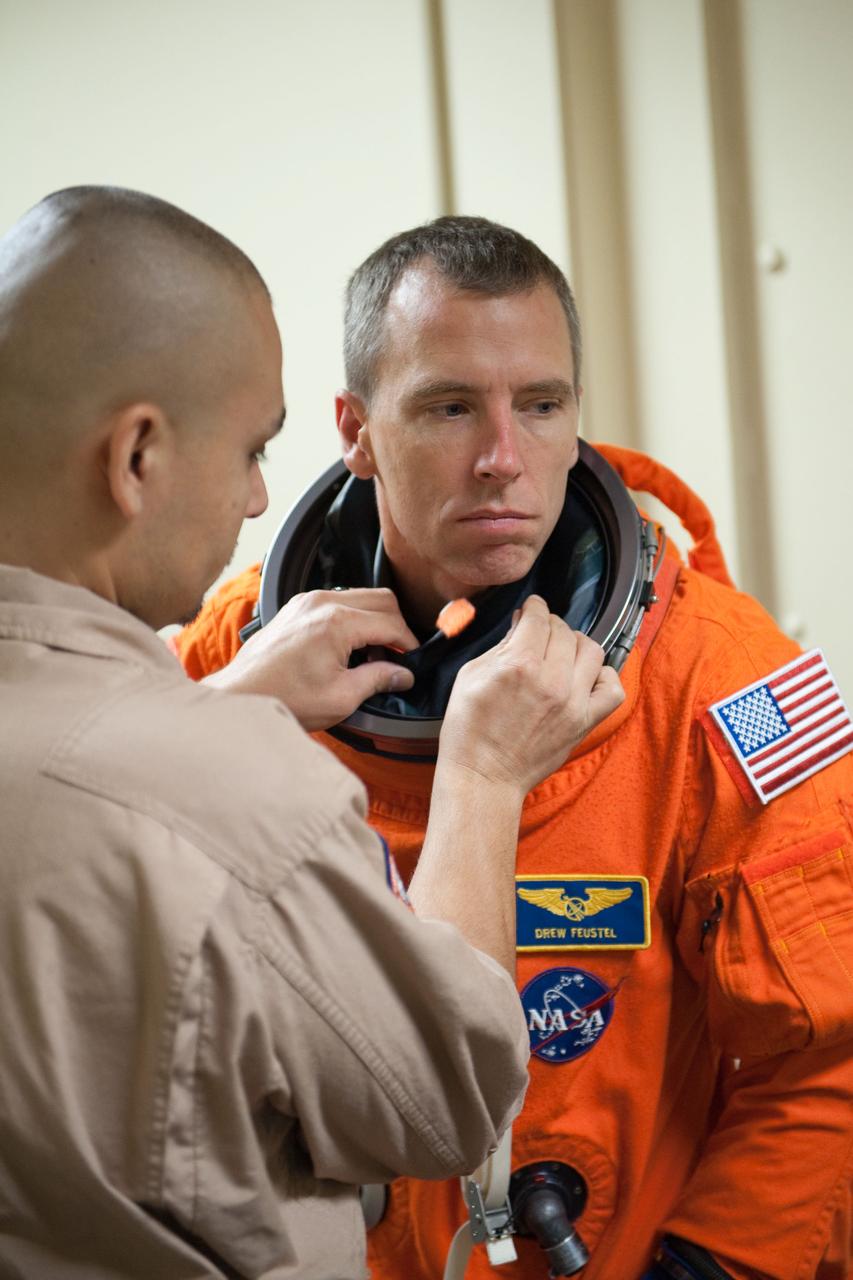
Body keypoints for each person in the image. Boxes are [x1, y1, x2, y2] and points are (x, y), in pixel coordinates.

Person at [177, 215, 853, 1280]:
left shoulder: (720, 679)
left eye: (540, 406)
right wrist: (223, 710)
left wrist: (712, 1267)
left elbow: (828, 1061)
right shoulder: (239, 653)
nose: (504, 459)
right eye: (449, 407)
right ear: (355, 429)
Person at [0, 190, 624, 1280]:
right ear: (136, 455)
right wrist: (479, 776)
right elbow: (447, 1101)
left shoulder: (715, 659)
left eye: (541, 404)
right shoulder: (223, 741)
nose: (256, 498)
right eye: (251, 451)